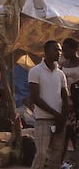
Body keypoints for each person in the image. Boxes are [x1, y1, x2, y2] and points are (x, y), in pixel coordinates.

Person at [29, 40, 69, 169]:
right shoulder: (36, 71)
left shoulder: (60, 74)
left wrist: (62, 118)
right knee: (41, 154)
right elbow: (35, 98)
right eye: (55, 49)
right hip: (42, 120)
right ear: (46, 51)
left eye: (60, 50)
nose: (59, 53)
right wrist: (57, 114)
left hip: (58, 121)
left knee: (55, 157)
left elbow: (65, 97)